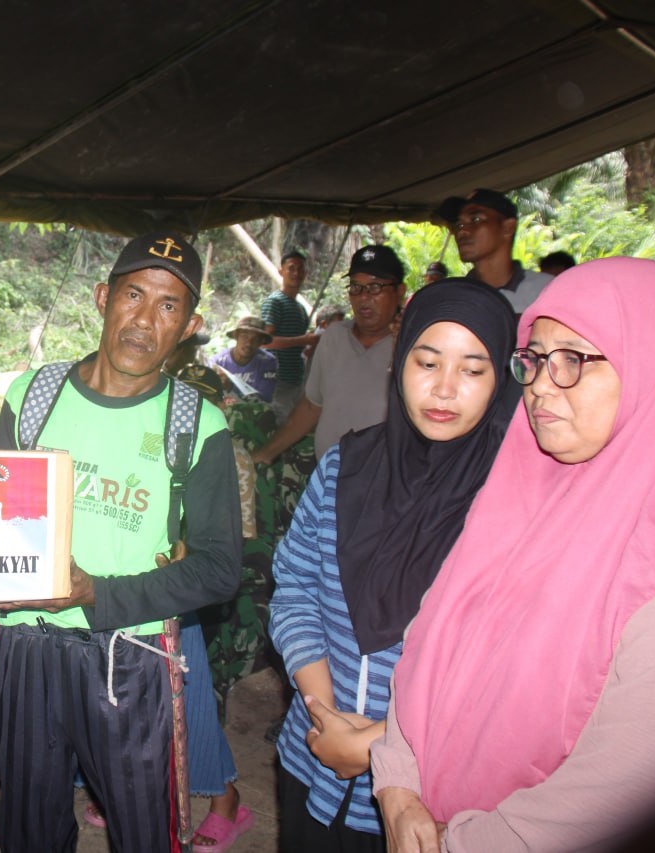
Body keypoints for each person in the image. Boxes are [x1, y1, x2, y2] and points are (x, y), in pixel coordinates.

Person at [372, 258, 655, 852]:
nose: (540, 385)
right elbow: (429, 638)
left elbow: (620, 783)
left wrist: (456, 843)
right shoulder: (518, 495)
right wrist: (398, 785)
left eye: (572, 359)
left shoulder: (650, 560)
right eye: (534, 359)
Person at [0, 231, 243, 852]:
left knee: (144, 828)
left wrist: (94, 592)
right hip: (24, 644)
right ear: (104, 298)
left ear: (190, 326)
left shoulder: (197, 424)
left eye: (168, 306)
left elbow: (218, 568)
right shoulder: (32, 397)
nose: (145, 320)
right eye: (133, 295)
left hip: (130, 655)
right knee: (28, 825)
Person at [269, 280, 515, 851]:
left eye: (472, 370)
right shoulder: (346, 466)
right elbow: (296, 587)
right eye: (427, 363)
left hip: (426, 798)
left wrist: (378, 743)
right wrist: (326, 713)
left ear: (502, 379)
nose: (444, 388)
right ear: (399, 364)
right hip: (311, 755)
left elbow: (508, 672)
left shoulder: (513, 506)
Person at [253, 245, 405, 466]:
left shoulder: (414, 347)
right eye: (356, 287)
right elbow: (311, 406)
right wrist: (266, 453)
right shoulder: (334, 337)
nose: (363, 297)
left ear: (399, 292)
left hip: (383, 479)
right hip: (327, 477)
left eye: (375, 287)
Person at [435, 188, 551, 316]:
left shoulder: (547, 291)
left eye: (475, 220)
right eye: (459, 225)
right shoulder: (453, 299)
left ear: (508, 227)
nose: (462, 231)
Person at [261, 251, 317, 422]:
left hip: (296, 379)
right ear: (281, 271)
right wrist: (304, 340)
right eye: (291, 268)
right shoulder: (275, 302)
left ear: (305, 274)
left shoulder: (300, 308)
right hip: (278, 379)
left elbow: (301, 347)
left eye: (300, 269)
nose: (296, 273)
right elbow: (264, 342)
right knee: (278, 424)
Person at [210, 316, 277, 402]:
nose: (249, 343)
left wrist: (231, 387)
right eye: (244, 337)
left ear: (261, 342)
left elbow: (265, 399)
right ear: (236, 336)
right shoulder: (218, 362)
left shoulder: (268, 362)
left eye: (255, 339)